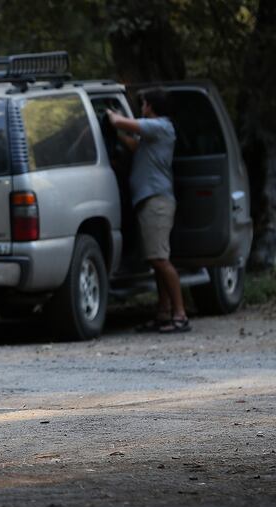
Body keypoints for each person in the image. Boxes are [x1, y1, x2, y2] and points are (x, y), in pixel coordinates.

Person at [107, 89, 190, 334]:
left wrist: (111, 115)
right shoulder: (155, 132)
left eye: (143, 104)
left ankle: (180, 314)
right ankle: (163, 313)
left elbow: (121, 122)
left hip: (157, 201)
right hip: (148, 200)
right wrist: (119, 137)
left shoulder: (160, 126)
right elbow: (135, 146)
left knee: (161, 260)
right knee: (156, 260)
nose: (141, 108)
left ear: (150, 107)